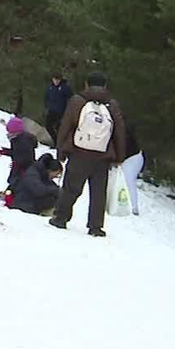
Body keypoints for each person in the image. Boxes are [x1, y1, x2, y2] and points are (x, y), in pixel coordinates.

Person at [50, 72, 128, 237]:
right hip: (102, 155)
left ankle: (61, 218)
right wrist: (120, 157)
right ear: (105, 86)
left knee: (71, 187)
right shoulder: (112, 104)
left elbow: (66, 125)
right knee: (98, 192)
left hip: (79, 152)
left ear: (86, 84)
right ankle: (95, 227)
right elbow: (119, 131)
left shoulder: (77, 101)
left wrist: (61, 150)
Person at [5, 116, 38, 188]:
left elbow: (25, 155)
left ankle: (11, 196)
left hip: (22, 167)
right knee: (14, 181)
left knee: (16, 182)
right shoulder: (17, 138)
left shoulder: (21, 141)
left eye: (9, 131)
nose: (8, 133)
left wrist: (17, 164)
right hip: (20, 165)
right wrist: (7, 152)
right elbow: (17, 152)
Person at [121, 119, 144, 216]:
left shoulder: (122, 130)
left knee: (129, 181)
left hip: (132, 158)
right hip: (134, 156)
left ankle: (134, 207)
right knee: (127, 181)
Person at [44, 73, 74, 144]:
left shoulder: (65, 87)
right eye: (55, 79)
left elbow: (70, 98)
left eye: (58, 80)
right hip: (52, 110)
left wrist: (68, 109)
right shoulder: (50, 87)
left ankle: (60, 143)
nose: (56, 81)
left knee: (59, 128)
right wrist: (47, 106)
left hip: (61, 112)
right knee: (48, 126)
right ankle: (55, 141)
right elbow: (46, 97)